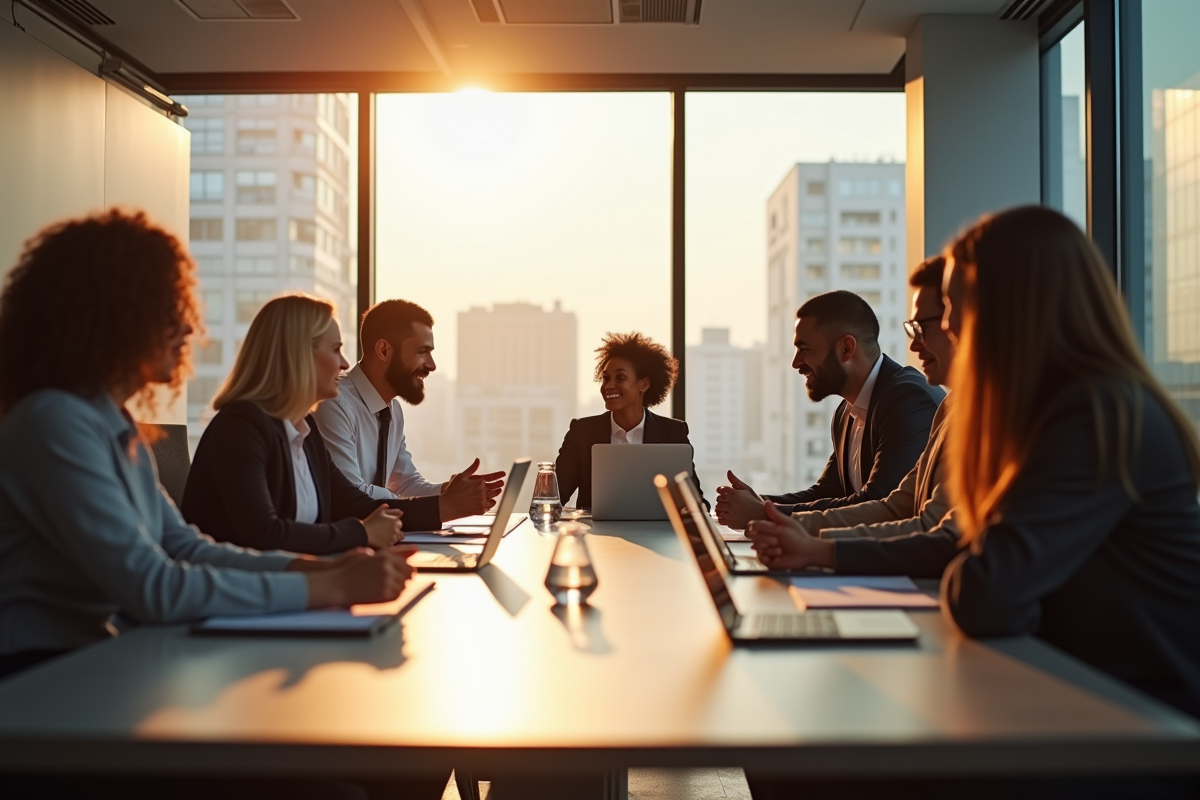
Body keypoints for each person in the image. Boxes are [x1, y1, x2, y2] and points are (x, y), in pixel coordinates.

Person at [0, 211, 413, 679]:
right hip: (29, 678)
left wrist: (313, 571)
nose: (188, 328)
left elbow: (185, 547)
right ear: (110, 315)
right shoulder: (53, 423)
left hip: (89, 661)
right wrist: (329, 587)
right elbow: (153, 586)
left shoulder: (112, 424)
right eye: (167, 308)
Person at [183, 294, 455, 555]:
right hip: (243, 596)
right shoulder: (240, 428)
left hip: (293, 588)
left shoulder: (304, 431)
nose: (345, 363)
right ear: (298, 356)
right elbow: (264, 534)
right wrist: (361, 534)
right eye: (336, 350)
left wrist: (447, 505)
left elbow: (355, 505)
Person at [747, 257, 963, 578]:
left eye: (925, 328)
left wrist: (781, 524)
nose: (914, 344)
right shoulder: (948, 407)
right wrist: (770, 514)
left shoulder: (908, 398)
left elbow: (914, 521)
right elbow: (886, 504)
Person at [716, 290, 943, 529]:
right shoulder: (845, 413)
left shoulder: (907, 399)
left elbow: (879, 504)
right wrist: (757, 502)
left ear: (846, 348)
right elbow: (825, 493)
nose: (795, 363)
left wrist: (763, 512)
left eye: (804, 349)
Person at [313, 298, 503, 518]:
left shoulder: (391, 409)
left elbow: (404, 484)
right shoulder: (334, 403)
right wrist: (441, 504)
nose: (432, 365)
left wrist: (447, 492)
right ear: (384, 350)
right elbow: (352, 497)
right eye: (422, 352)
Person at [555, 332, 703, 510]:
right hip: (597, 534)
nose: (608, 385)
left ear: (644, 384)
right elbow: (554, 497)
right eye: (606, 378)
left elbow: (695, 503)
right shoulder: (582, 432)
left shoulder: (673, 432)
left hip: (654, 535)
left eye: (621, 377)